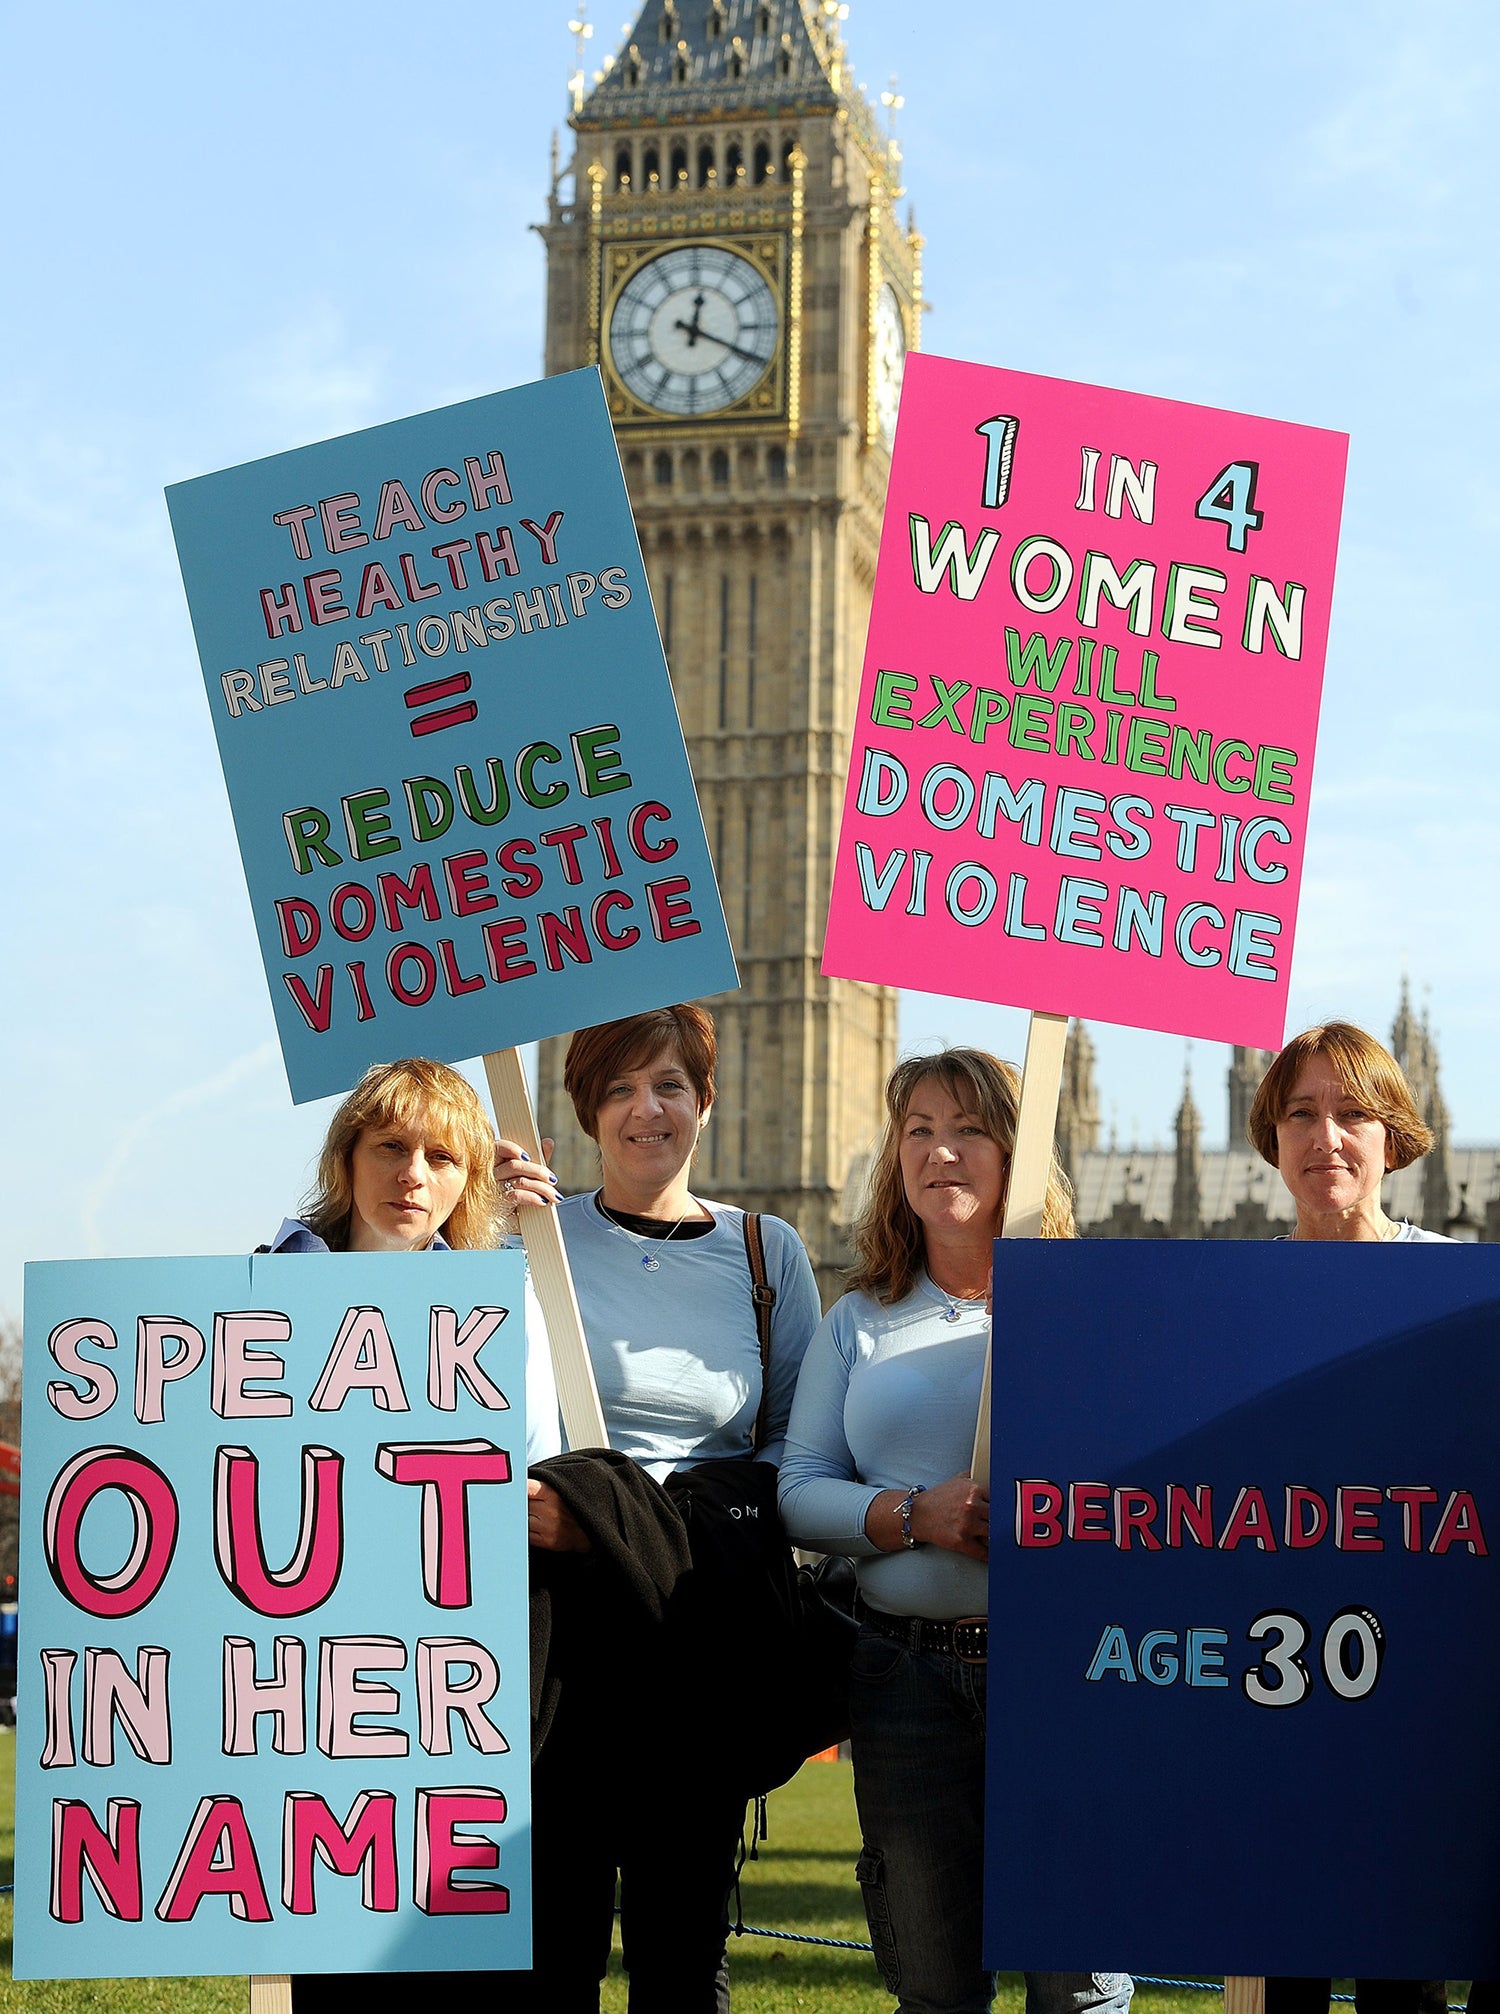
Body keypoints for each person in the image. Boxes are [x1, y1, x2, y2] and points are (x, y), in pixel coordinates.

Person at [778, 1047, 1134, 2014]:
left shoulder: (1087, 1308)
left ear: (1020, 1151)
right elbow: (799, 1491)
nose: (942, 1151)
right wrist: (909, 1515)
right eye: (920, 1131)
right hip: (904, 1679)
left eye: (970, 1129)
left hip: (1062, 1672)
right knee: (935, 1991)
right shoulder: (859, 1319)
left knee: (1082, 1992)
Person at [521, 1003, 824, 2013]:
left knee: (684, 1953)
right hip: (562, 1632)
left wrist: (628, 1521)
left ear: (706, 1100)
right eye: (618, 1088)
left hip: (700, 1624)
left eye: (668, 1086)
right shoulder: (530, 1238)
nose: (645, 1108)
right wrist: (470, 1223)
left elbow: (795, 1450)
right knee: (549, 1943)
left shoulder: (765, 1254)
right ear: (583, 1110)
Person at [266, 1056, 560, 2014]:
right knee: (321, 1933)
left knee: (438, 1945)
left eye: (442, 1156)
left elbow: (532, 1467)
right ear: (345, 1158)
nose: (412, 1174)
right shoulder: (260, 1287)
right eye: (390, 1146)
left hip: (440, 1667)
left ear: (469, 1180)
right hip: (299, 1664)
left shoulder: (500, 1305)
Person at [1248, 1024, 1450, 2014]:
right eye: (1301, 1113)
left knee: (1402, 1968)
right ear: (1271, 1136)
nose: (1325, 1136)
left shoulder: (1462, 1291)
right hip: (1271, 1675)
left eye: (1352, 1113)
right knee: (1280, 1960)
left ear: (1396, 1133)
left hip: (1425, 1682)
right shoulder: (1229, 1296)